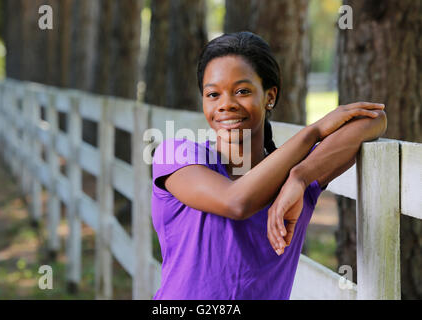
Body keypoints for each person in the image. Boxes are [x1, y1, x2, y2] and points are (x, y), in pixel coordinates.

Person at [151, 31, 387, 300]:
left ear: (269, 96)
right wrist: (314, 132)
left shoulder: (295, 178)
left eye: (242, 91)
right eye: (213, 94)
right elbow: (236, 202)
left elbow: (374, 119)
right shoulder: (175, 155)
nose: (226, 104)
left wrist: (300, 177)